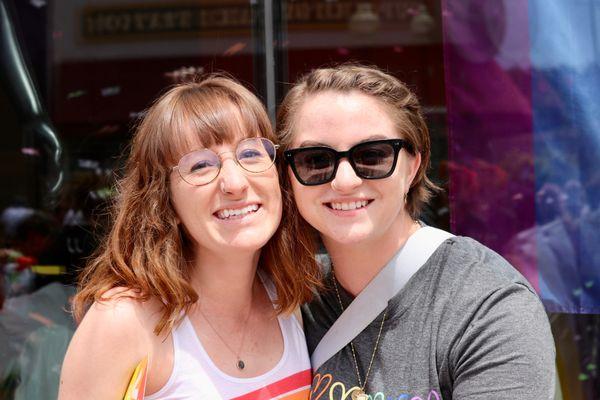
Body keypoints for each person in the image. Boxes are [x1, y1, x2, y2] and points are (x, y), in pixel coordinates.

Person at [276, 64, 556, 399]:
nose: (345, 181)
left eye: (372, 155)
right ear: (289, 175)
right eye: (315, 159)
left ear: (413, 166)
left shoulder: (486, 305)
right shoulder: (288, 299)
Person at [59, 75, 320, 399]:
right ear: (163, 199)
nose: (235, 183)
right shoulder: (125, 321)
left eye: (251, 154)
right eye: (200, 166)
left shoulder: (293, 300)